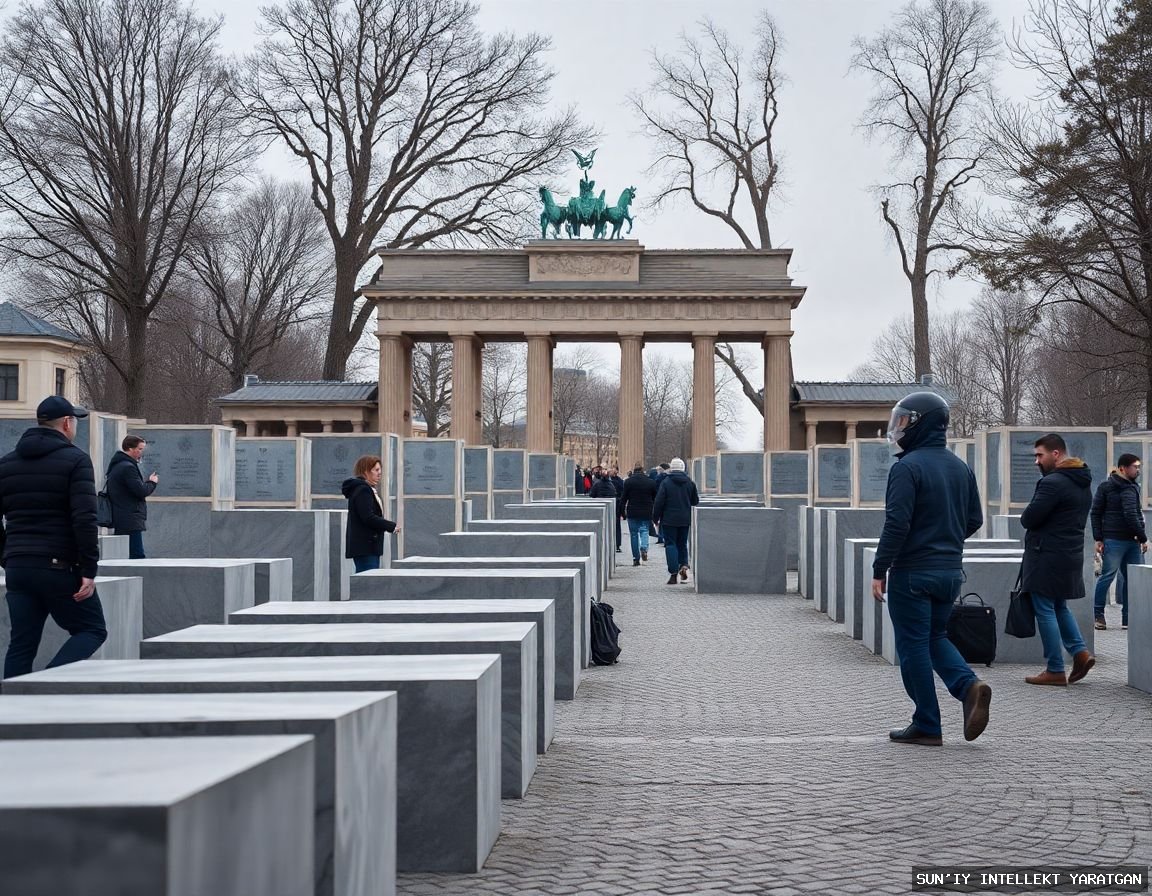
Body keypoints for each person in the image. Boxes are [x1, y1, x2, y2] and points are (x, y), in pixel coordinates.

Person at [870, 391, 991, 746]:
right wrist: (946, 539)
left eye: (904, 420)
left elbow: (897, 524)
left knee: (913, 647)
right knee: (935, 637)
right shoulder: (960, 467)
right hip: (950, 572)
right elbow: (975, 519)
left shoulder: (906, 468)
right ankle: (970, 687)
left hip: (912, 574)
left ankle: (927, 723)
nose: (898, 427)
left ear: (921, 423)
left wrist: (880, 568)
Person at [0, 396, 106, 679]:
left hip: (18, 568)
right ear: (67, 423)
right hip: (58, 567)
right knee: (92, 629)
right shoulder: (76, 460)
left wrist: (7, 556)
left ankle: (10, 712)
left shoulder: (6, 464)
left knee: (21, 645)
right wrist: (88, 570)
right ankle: (45, 682)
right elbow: (84, 518)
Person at [1020, 433, 1096, 686]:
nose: (1036, 462)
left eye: (1039, 455)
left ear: (1056, 454)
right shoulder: (1082, 481)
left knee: (1044, 609)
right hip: (1068, 553)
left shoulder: (1053, 483)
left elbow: (1029, 518)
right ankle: (1080, 653)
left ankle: (1054, 668)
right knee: (1059, 606)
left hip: (1047, 555)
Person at [1089, 452, 1146, 631]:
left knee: (1131, 580)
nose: (1138, 470)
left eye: (1138, 467)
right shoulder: (1107, 487)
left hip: (1131, 541)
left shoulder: (1133, 487)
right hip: (1115, 540)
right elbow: (1096, 512)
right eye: (1135, 467)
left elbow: (1136, 513)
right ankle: (1099, 616)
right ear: (1123, 468)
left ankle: (1128, 619)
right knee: (1108, 577)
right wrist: (1098, 538)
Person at [342, 454, 399, 573]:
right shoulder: (363, 490)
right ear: (366, 471)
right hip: (366, 547)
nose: (379, 473)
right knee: (367, 586)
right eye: (376, 470)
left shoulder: (365, 489)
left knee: (367, 584)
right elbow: (368, 517)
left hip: (368, 546)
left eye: (380, 470)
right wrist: (391, 526)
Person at [104, 434, 158, 559]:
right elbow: (141, 490)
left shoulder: (118, 465)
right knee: (136, 556)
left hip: (122, 516)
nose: (141, 452)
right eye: (139, 449)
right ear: (130, 448)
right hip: (130, 518)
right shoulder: (128, 467)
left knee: (125, 556)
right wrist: (152, 482)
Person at [652, 457, 699, 585]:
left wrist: (655, 518)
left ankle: (673, 573)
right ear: (683, 468)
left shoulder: (666, 483)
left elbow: (659, 502)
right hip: (685, 519)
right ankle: (684, 565)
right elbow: (695, 501)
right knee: (682, 543)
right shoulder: (690, 483)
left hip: (669, 519)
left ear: (672, 468)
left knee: (671, 544)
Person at [620, 463, 658, 566]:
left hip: (632, 511)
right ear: (643, 470)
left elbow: (623, 498)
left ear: (634, 470)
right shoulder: (651, 482)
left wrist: (622, 512)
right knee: (644, 530)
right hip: (646, 511)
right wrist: (656, 513)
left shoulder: (628, 482)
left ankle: (636, 558)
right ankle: (644, 548)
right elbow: (656, 498)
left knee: (633, 535)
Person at [609, 465, 625, 552]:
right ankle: (616, 544)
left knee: (617, 526)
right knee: (616, 526)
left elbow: (622, 494)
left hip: (616, 506)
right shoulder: (618, 481)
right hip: (616, 505)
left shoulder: (618, 481)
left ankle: (617, 544)